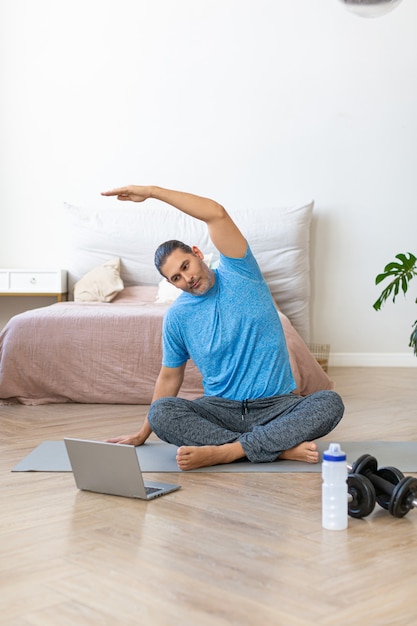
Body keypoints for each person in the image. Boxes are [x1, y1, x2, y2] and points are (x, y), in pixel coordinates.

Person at [101, 185, 344, 470]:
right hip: (221, 410)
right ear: (171, 284)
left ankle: (227, 451)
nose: (187, 278)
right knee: (161, 412)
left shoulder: (241, 271)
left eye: (186, 265)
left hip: (277, 406)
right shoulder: (177, 317)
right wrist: (144, 433)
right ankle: (275, 449)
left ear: (197, 253)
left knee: (330, 403)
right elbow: (168, 379)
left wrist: (152, 192)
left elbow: (216, 214)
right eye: (177, 277)